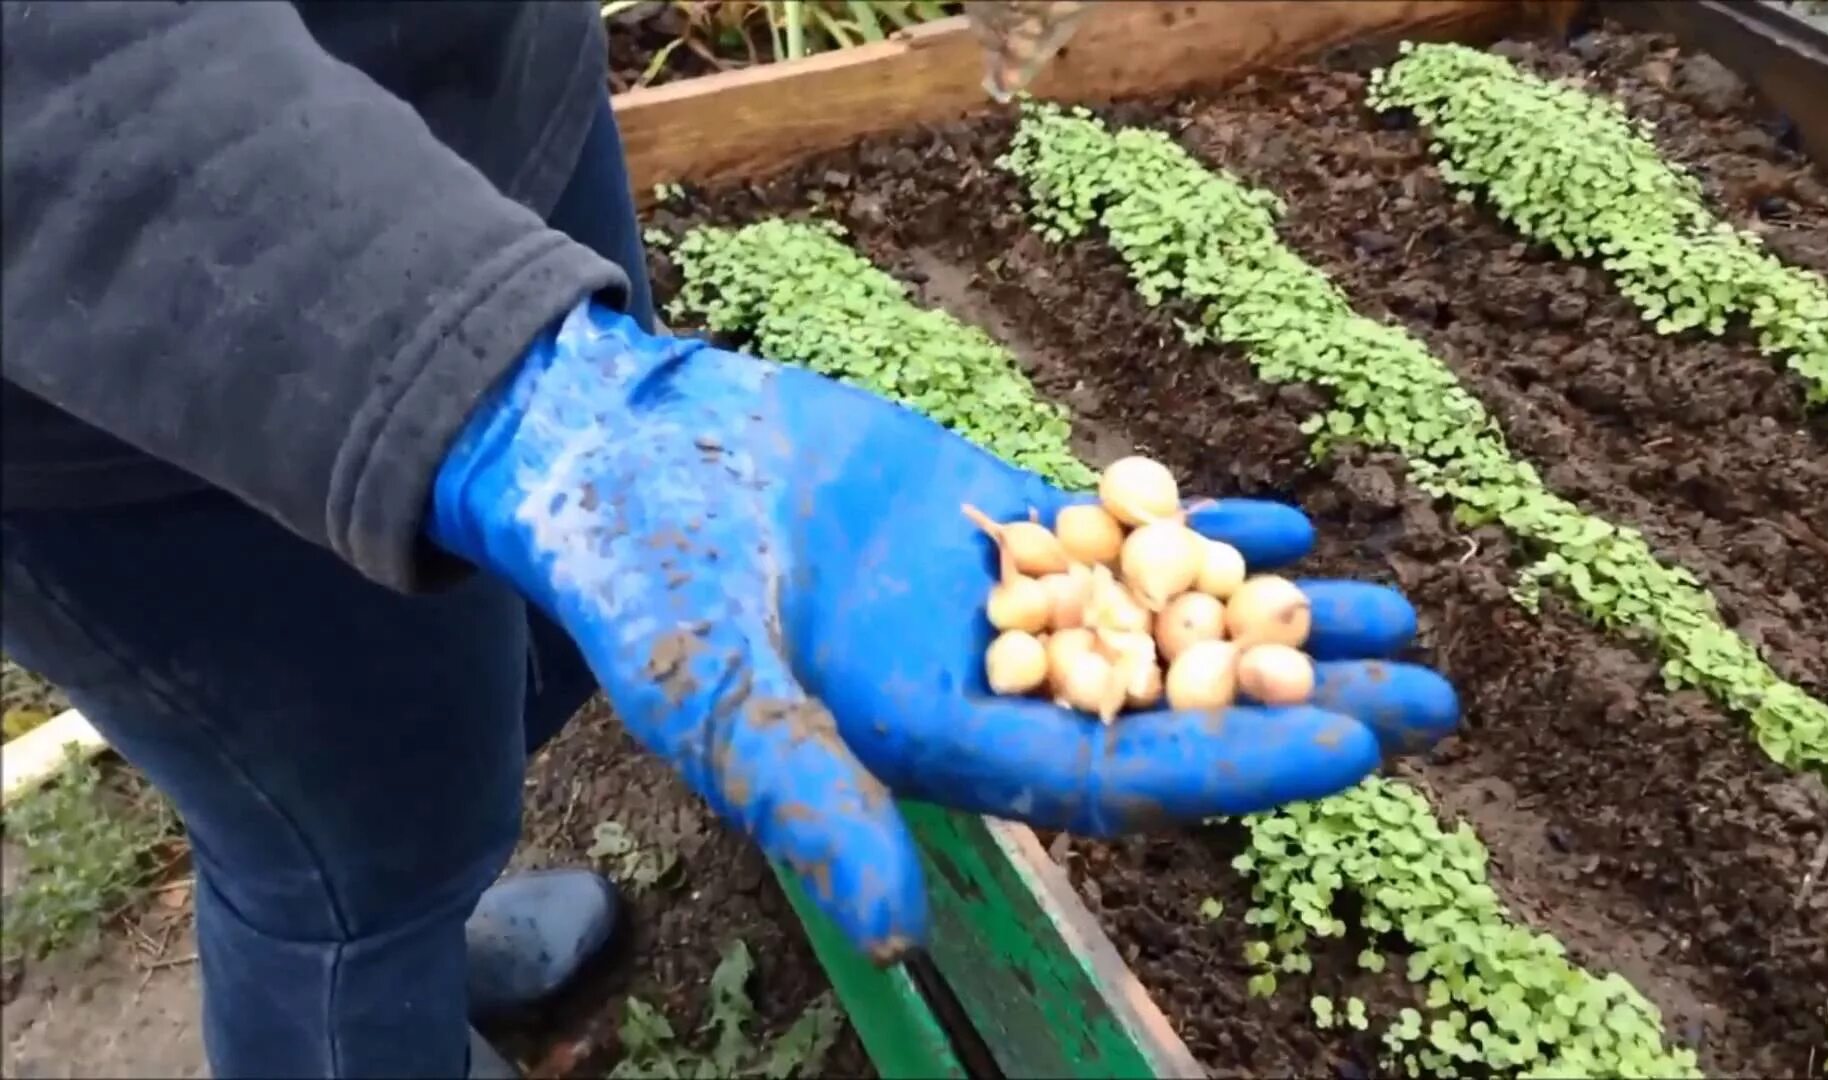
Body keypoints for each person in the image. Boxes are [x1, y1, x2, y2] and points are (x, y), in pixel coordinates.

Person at [1, 3, 1460, 1077]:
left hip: (477, 99)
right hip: (118, 334)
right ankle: (383, 979)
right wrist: (487, 370)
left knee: (494, 697)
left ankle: (435, 919)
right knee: (335, 851)